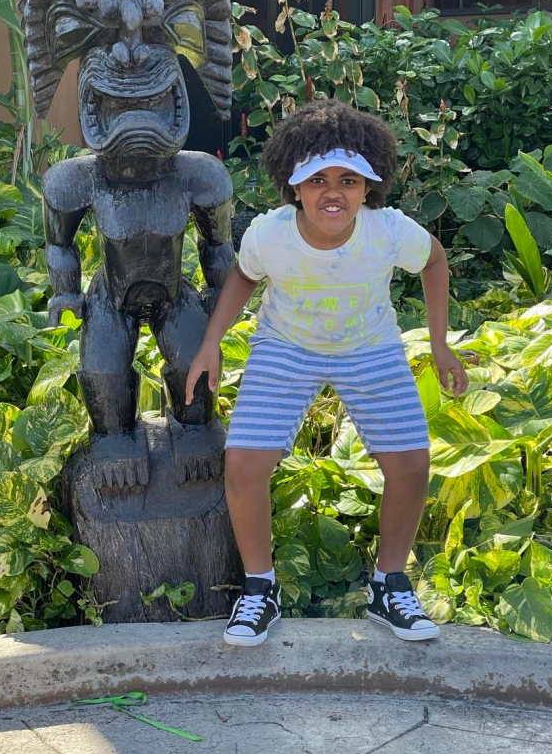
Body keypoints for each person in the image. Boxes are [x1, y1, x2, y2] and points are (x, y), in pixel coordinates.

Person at [185, 99, 468, 646]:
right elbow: (244, 277)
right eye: (316, 179)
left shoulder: (388, 232)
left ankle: (390, 586)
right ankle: (260, 589)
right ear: (294, 187)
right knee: (244, 464)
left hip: (369, 346)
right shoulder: (269, 235)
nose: (332, 192)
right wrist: (211, 344)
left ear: (368, 187)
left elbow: (434, 260)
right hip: (286, 346)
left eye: (348, 179)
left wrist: (440, 345)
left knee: (411, 464)